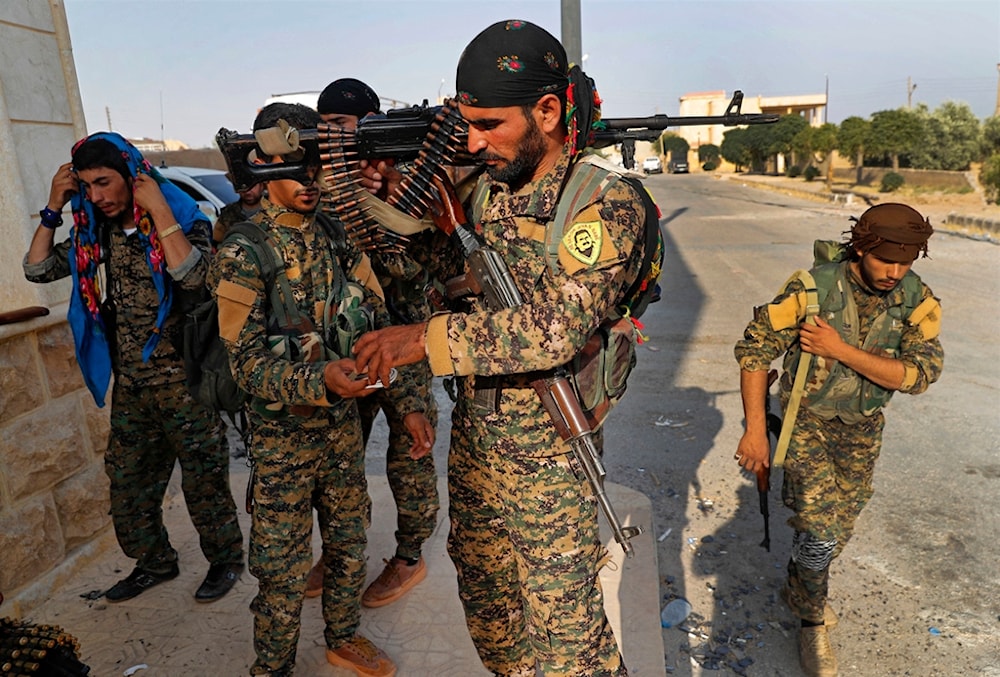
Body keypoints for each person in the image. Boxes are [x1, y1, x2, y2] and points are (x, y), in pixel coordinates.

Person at [353, 20, 649, 676]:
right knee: (487, 601)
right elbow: (429, 273)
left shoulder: (603, 203)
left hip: (549, 454)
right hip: (477, 442)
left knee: (570, 638)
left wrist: (422, 342)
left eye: (489, 124)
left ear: (546, 111)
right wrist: (384, 206)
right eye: (466, 124)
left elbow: (554, 330)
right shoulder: (479, 192)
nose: (473, 141)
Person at [209, 101, 433, 677]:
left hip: (339, 435)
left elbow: (381, 329)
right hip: (283, 443)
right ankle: (274, 666)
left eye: (316, 168)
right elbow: (246, 366)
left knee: (348, 543)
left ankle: (343, 637)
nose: (309, 181)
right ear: (261, 167)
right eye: (292, 168)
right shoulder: (244, 250)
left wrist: (407, 406)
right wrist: (320, 380)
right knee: (281, 568)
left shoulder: (338, 236)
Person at [23, 133, 245, 603]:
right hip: (134, 387)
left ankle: (224, 560)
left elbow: (197, 281)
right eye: (87, 186)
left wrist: (160, 210)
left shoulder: (184, 219)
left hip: (187, 383)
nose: (97, 196)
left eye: (104, 182)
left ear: (132, 176)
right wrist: (52, 208)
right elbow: (37, 270)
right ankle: (155, 562)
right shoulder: (92, 233)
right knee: (127, 485)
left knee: (204, 484)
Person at [734, 203, 944, 677]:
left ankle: (801, 580)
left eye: (905, 261)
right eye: (884, 259)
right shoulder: (812, 291)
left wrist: (839, 349)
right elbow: (754, 352)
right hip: (805, 423)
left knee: (836, 531)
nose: (893, 271)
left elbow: (919, 375)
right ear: (861, 246)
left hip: (862, 429)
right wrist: (754, 432)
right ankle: (811, 619)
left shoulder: (917, 299)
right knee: (822, 529)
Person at [303, 77, 440, 608]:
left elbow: (422, 254)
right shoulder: (321, 184)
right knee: (341, 457)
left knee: (410, 451)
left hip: (405, 337)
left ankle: (409, 555)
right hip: (346, 343)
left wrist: (383, 192)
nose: (335, 135)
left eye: (345, 125)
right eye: (328, 125)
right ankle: (340, 552)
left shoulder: (397, 176)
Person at [213, 178, 264, 244]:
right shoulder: (228, 213)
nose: (247, 192)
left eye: (252, 186)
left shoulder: (272, 213)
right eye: (243, 187)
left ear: (262, 186)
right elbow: (216, 242)